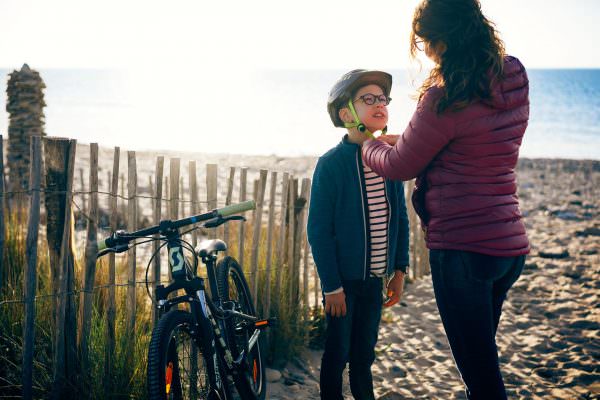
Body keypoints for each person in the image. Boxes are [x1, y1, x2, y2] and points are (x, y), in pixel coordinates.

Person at [361, 1, 529, 399]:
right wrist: (408, 139)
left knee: (483, 380)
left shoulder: (444, 95)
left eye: (425, 42)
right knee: (482, 361)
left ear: (442, 40)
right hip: (507, 247)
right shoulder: (514, 73)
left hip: (463, 252)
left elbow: (400, 166)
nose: (426, 51)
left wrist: (368, 145)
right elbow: (476, 139)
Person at [307, 69, 410, 400]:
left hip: (375, 281)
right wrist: (331, 287)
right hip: (343, 285)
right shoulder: (332, 164)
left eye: (383, 99)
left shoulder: (390, 160)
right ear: (346, 113)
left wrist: (399, 270)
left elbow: (401, 219)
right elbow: (318, 231)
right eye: (368, 99)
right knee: (337, 353)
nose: (379, 104)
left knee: (365, 355)